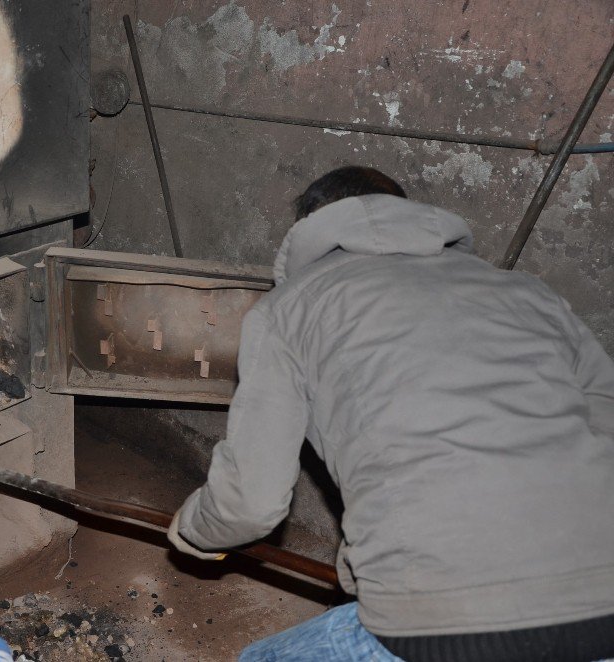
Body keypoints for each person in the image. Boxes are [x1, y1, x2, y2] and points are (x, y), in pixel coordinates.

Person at [167, 166, 614, 662]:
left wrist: (195, 530)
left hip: (446, 624)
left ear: (312, 227)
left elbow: (249, 504)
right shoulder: (533, 294)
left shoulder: (289, 308)